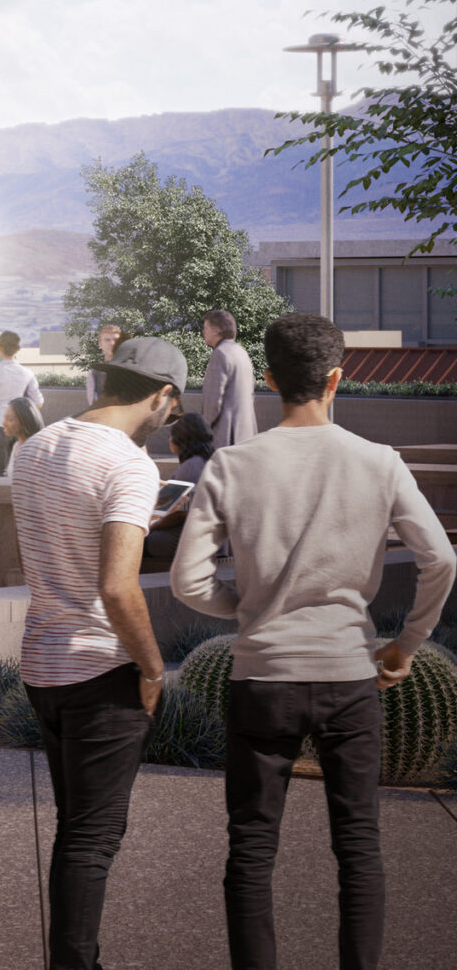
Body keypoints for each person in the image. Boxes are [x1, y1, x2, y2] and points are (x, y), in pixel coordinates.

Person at [171, 313, 454, 970]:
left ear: (268, 378)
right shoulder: (379, 462)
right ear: (336, 378)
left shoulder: (231, 466)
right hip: (349, 675)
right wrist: (407, 643)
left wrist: (245, 607)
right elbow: (441, 560)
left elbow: (188, 581)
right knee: (358, 843)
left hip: (262, 674)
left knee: (251, 846)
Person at [9, 334, 188, 970]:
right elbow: (116, 587)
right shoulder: (132, 465)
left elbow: (58, 545)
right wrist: (152, 665)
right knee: (94, 837)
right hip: (101, 668)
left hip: (43, 665)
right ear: (163, 395)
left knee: (75, 828)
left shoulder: (33, 450)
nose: (172, 417)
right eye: (175, 404)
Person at [141, 413, 215, 568]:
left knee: (136, 540)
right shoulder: (209, 462)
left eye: (173, 436)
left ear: (180, 440)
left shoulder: (189, 468)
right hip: (207, 537)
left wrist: (151, 527)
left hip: (183, 540)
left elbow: (180, 515)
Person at [200, 309, 259, 450]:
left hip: (225, 436)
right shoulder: (241, 352)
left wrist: (204, 431)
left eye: (205, 327)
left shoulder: (220, 354)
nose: (203, 331)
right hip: (246, 433)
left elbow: (213, 401)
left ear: (216, 330)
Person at [0, 330, 40, 478]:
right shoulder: (27, 373)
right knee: (21, 469)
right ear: (17, 350)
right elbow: (39, 402)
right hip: (20, 424)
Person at [82, 323, 124, 408]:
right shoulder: (94, 374)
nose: (112, 343)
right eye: (107, 340)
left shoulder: (132, 371)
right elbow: (93, 406)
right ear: (100, 344)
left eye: (115, 340)